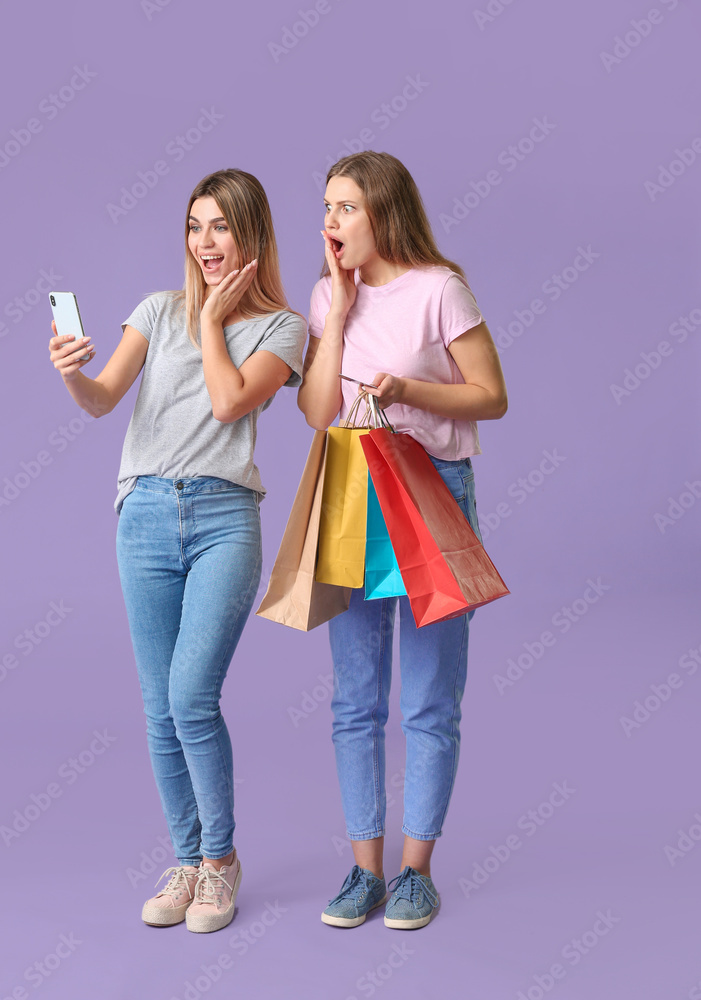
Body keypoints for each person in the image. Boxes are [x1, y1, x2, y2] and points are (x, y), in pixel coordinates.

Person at [48, 169, 306, 933]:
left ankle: (220, 863)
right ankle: (187, 860)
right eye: (195, 227)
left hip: (226, 515)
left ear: (250, 234)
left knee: (191, 695)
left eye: (221, 226)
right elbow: (101, 401)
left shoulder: (281, 328)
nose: (205, 242)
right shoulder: (157, 312)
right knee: (159, 707)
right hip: (146, 516)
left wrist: (214, 322)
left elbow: (230, 401)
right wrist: (72, 375)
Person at [297, 151, 508, 930]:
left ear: (382, 211)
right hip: (352, 491)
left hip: (427, 493)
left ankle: (415, 872)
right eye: (325, 207)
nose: (329, 222)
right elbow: (318, 411)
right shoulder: (328, 295)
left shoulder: (439, 290)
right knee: (354, 699)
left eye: (344, 207)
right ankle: (363, 872)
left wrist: (406, 390)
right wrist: (341, 312)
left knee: (427, 698)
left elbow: (492, 396)